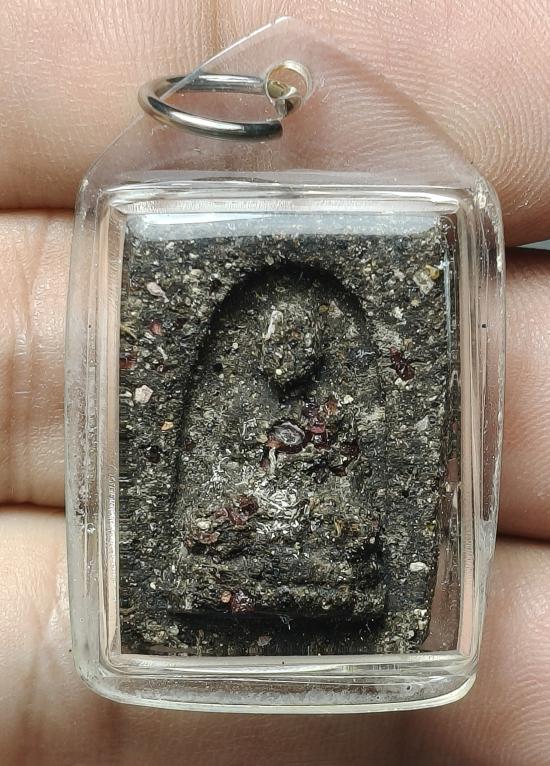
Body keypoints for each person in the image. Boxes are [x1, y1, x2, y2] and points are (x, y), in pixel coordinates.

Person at [1, 1, 550, 764]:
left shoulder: (337, 414)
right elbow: (217, 482)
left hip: (313, 537)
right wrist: (251, 503)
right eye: (276, 346)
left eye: (300, 346)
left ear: (318, 352)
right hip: (252, 533)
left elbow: (353, 490)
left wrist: (311, 502)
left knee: (346, 532)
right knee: (211, 526)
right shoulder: (235, 412)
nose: (285, 360)